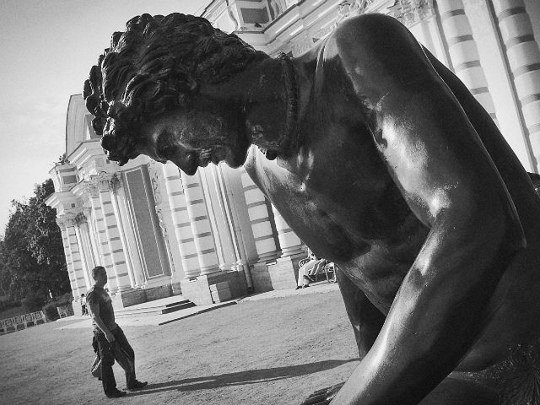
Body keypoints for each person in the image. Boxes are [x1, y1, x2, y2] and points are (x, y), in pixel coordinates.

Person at [83, 13, 540, 405]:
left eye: (169, 143)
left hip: (521, 351)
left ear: (189, 82)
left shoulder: (356, 53)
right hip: (441, 370)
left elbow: (475, 222)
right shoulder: (262, 165)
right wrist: (367, 373)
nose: (185, 165)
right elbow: (354, 259)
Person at [86, 266, 147, 398]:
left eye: (105, 273)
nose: (105, 276)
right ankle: (110, 391)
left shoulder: (102, 290)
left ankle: (131, 383)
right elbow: (95, 316)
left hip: (114, 328)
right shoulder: (93, 294)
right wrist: (106, 333)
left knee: (129, 352)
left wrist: (112, 328)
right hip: (103, 333)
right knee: (107, 361)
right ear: (95, 277)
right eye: (102, 275)